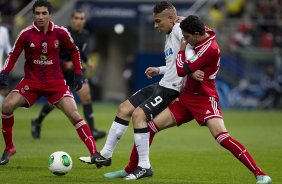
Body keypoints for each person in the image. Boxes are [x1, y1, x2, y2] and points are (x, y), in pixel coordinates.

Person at [122, 15, 271, 183]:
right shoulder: (203, 32)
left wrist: (180, 50)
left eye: (186, 37)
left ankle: (260, 174)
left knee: (222, 137)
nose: (185, 40)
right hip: (186, 98)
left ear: (196, 34)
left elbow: (180, 69)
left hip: (204, 99)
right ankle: (132, 169)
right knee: (150, 127)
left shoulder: (210, 49)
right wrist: (184, 19)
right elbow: (200, 30)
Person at [79, 1, 203, 168]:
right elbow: (175, 65)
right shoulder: (170, 34)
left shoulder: (179, 31)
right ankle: (105, 155)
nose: (155, 25)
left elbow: (194, 47)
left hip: (172, 90)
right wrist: (158, 69)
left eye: (158, 21)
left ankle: (144, 166)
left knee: (139, 115)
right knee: (124, 108)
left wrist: (193, 68)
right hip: (163, 83)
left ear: (172, 18)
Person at [0, 0, 98, 165]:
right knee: (7, 106)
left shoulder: (61, 33)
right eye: (37, 13)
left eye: (44, 13)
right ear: (33, 14)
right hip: (31, 82)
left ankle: (95, 153)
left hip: (55, 83)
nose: (40, 17)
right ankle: (9, 147)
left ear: (50, 14)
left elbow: (75, 51)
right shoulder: (25, 34)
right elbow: (13, 55)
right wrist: (4, 72)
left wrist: (78, 73)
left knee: (74, 114)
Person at [31, 9, 106, 140]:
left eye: (82, 18)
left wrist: (88, 61)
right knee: (53, 103)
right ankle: (37, 121)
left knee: (86, 96)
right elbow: (50, 54)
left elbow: (79, 52)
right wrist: (65, 64)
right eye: (77, 18)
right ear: (72, 20)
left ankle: (93, 130)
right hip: (58, 71)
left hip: (76, 71)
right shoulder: (61, 33)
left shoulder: (85, 34)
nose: (79, 21)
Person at [0, 11, 12, 105]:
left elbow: (7, 47)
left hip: (0, 69)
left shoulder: (3, 31)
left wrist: (13, 59)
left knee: (4, 92)